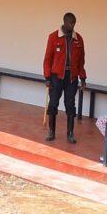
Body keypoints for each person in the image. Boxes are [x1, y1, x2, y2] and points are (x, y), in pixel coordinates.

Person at [43, 12, 86, 143]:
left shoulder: (78, 39)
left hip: (71, 77)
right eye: (70, 23)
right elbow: (48, 59)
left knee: (70, 104)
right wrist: (47, 77)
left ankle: (70, 133)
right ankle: (51, 132)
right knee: (53, 103)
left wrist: (83, 78)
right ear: (64, 22)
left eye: (74, 23)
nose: (72, 25)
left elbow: (81, 61)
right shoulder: (53, 37)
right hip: (56, 76)